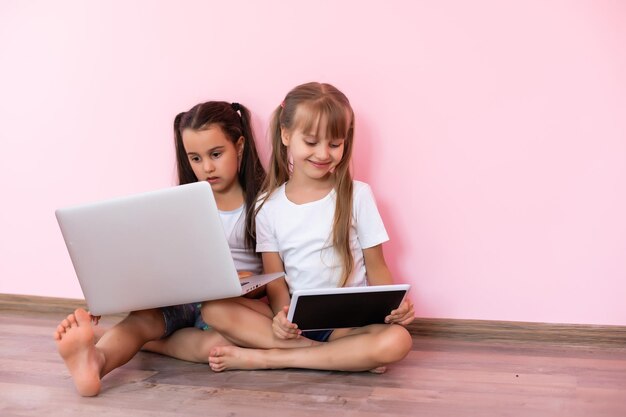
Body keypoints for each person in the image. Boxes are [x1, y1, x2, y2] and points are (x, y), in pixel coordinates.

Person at [53, 101, 267, 396]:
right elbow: (160, 258)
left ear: (240, 146)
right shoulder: (181, 203)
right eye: (195, 158)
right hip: (183, 295)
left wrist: (244, 285)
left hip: (229, 305)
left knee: (220, 347)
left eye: (216, 154)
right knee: (143, 319)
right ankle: (95, 361)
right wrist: (115, 294)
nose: (206, 167)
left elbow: (272, 274)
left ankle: (140, 342)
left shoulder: (263, 204)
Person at [202, 82, 415, 373]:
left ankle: (273, 359)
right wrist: (282, 315)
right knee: (214, 309)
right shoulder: (268, 205)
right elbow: (276, 280)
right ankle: (340, 357)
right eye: (312, 142)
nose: (323, 154)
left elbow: (377, 267)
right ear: (286, 135)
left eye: (335, 144)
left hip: (348, 325)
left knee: (398, 340)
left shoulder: (357, 195)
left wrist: (395, 307)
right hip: (296, 323)